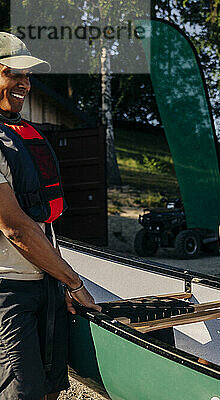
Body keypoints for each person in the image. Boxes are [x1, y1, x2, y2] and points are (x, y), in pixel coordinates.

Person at [0, 32, 101, 400]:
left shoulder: (19, 135)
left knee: (49, 389)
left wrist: (57, 281)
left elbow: (44, 226)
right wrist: (74, 282)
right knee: (21, 393)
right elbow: (16, 229)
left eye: (29, 76)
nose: (25, 84)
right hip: (7, 290)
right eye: (15, 74)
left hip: (44, 285)